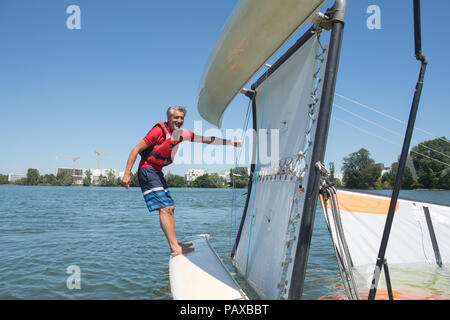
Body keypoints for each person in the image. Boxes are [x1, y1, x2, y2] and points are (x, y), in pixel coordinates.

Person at [122, 106, 242, 257]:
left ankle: (176, 244)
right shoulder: (159, 131)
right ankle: (175, 248)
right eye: (176, 117)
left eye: (181, 118)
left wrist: (230, 142)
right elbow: (135, 150)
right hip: (147, 170)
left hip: (157, 172)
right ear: (168, 117)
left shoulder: (182, 134)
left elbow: (206, 140)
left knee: (170, 207)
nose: (179, 121)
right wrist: (127, 174)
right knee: (165, 208)